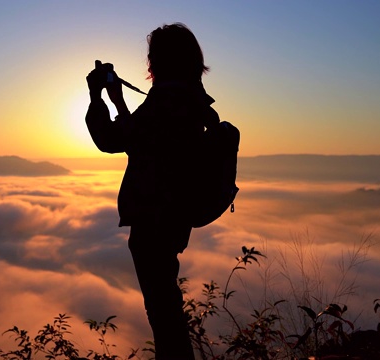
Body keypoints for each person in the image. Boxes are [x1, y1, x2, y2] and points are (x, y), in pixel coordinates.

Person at [85, 23, 219, 360]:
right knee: (165, 308)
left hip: (155, 219)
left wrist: (96, 97)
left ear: (156, 61)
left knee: (163, 313)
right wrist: (120, 103)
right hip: (175, 214)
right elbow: (143, 143)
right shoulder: (190, 100)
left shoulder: (167, 102)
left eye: (152, 56)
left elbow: (112, 140)